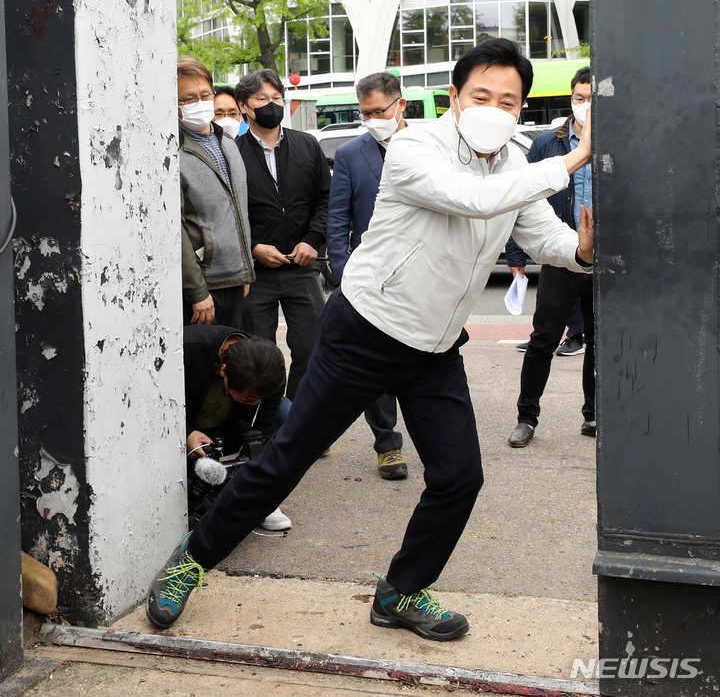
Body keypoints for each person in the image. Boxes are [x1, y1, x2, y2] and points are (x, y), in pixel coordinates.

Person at [147, 38, 593, 641]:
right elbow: (473, 199)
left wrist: (579, 250)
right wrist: (573, 158)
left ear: (520, 110)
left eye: (508, 100)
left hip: (434, 348)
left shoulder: (513, 167)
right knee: (287, 459)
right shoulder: (414, 146)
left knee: (460, 476)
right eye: (481, 94)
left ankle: (401, 591)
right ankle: (192, 560)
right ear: (454, 98)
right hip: (364, 332)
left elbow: (541, 235)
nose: (494, 107)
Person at [327, 71, 409, 481]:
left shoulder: (428, 147)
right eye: (366, 113)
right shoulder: (349, 154)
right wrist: (343, 272)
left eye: (380, 110)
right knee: (374, 363)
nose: (374, 118)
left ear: (400, 105)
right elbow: (338, 216)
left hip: (420, 274)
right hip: (369, 277)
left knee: (421, 360)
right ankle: (387, 444)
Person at [507, 66, 594, 448]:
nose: (585, 105)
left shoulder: (624, 142)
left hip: (606, 263)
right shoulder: (546, 144)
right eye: (579, 98)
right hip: (560, 256)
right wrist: (516, 257)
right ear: (570, 100)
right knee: (543, 339)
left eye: (592, 98)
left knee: (600, 342)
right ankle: (527, 417)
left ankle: (593, 415)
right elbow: (520, 200)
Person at [235, 69, 331, 400]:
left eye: (277, 98)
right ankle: (269, 423)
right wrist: (253, 247)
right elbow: (229, 213)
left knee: (312, 348)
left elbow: (325, 199)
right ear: (244, 106)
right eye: (262, 99)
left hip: (302, 268)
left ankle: (298, 422)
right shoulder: (232, 153)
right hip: (256, 274)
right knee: (259, 358)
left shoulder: (307, 145)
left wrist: (312, 240)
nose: (271, 104)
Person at [184, 325, 291, 530]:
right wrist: (187, 433)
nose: (256, 403)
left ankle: (260, 498)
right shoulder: (189, 349)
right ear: (224, 370)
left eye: (260, 398)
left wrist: (251, 480)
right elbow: (157, 405)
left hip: (227, 429)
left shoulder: (270, 367)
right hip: (183, 429)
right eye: (250, 398)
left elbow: (264, 426)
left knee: (286, 411)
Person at [178, 58, 254, 327]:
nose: (200, 103)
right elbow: (177, 230)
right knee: (203, 363)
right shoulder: (172, 153)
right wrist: (196, 291)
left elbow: (238, 211)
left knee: (231, 361)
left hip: (235, 278)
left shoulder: (227, 141)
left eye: (205, 95)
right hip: (203, 286)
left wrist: (244, 271)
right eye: (188, 99)